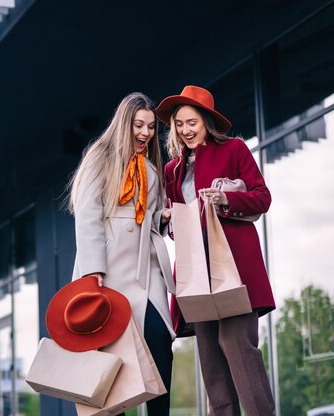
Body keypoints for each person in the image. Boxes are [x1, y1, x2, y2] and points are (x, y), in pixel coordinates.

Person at [156, 85, 276, 416]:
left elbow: (262, 197)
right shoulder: (172, 170)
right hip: (196, 273)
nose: (185, 130)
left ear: (207, 120)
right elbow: (176, 223)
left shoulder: (234, 149)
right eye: (179, 124)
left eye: (191, 121)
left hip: (235, 267)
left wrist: (226, 199)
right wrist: (167, 217)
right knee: (210, 361)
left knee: (237, 346)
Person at [68, 92, 175, 416]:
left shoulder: (150, 170)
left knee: (160, 346)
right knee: (112, 362)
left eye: (151, 127)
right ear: (124, 124)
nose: (145, 133)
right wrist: (93, 272)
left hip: (145, 275)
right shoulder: (100, 156)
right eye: (138, 125)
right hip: (108, 274)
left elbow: (144, 217)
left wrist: (161, 218)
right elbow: (87, 215)